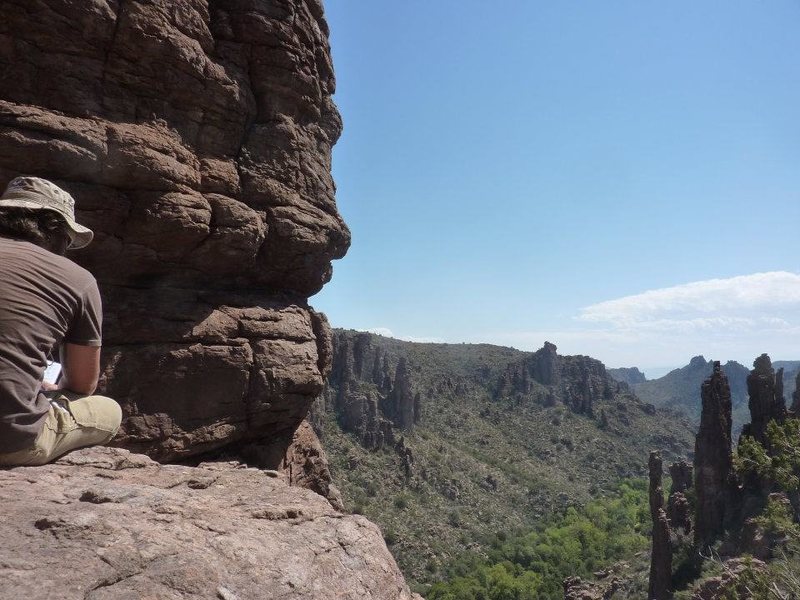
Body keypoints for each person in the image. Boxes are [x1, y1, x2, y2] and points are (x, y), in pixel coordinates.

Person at [0, 176, 121, 466]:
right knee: (109, 410)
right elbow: (82, 384)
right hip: (10, 440)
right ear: (57, 230)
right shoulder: (78, 279)